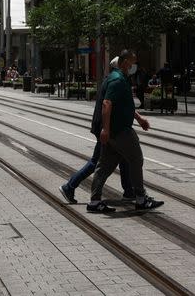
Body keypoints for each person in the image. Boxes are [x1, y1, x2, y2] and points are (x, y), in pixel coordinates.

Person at [87, 50, 163, 213]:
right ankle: (141, 198)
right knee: (136, 160)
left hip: (114, 132)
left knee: (105, 166)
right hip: (120, 131)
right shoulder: (118, 80)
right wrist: (105, 130)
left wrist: (139, 118)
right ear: (124, 62)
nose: (133, 66)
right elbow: (107, 104)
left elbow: (123, 105)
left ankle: (94, 202)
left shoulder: (116, 78)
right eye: (132, 62)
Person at [60, 57, 133, 204]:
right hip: (107, 129)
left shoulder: (112, 79)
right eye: (127, 65)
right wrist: (106, 129)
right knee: (96, 161)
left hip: (110, 128)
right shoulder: (115, 82)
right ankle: (70, 186)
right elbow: (107, 104)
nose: (130, 68)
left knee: (125, 158)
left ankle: (129, 191)